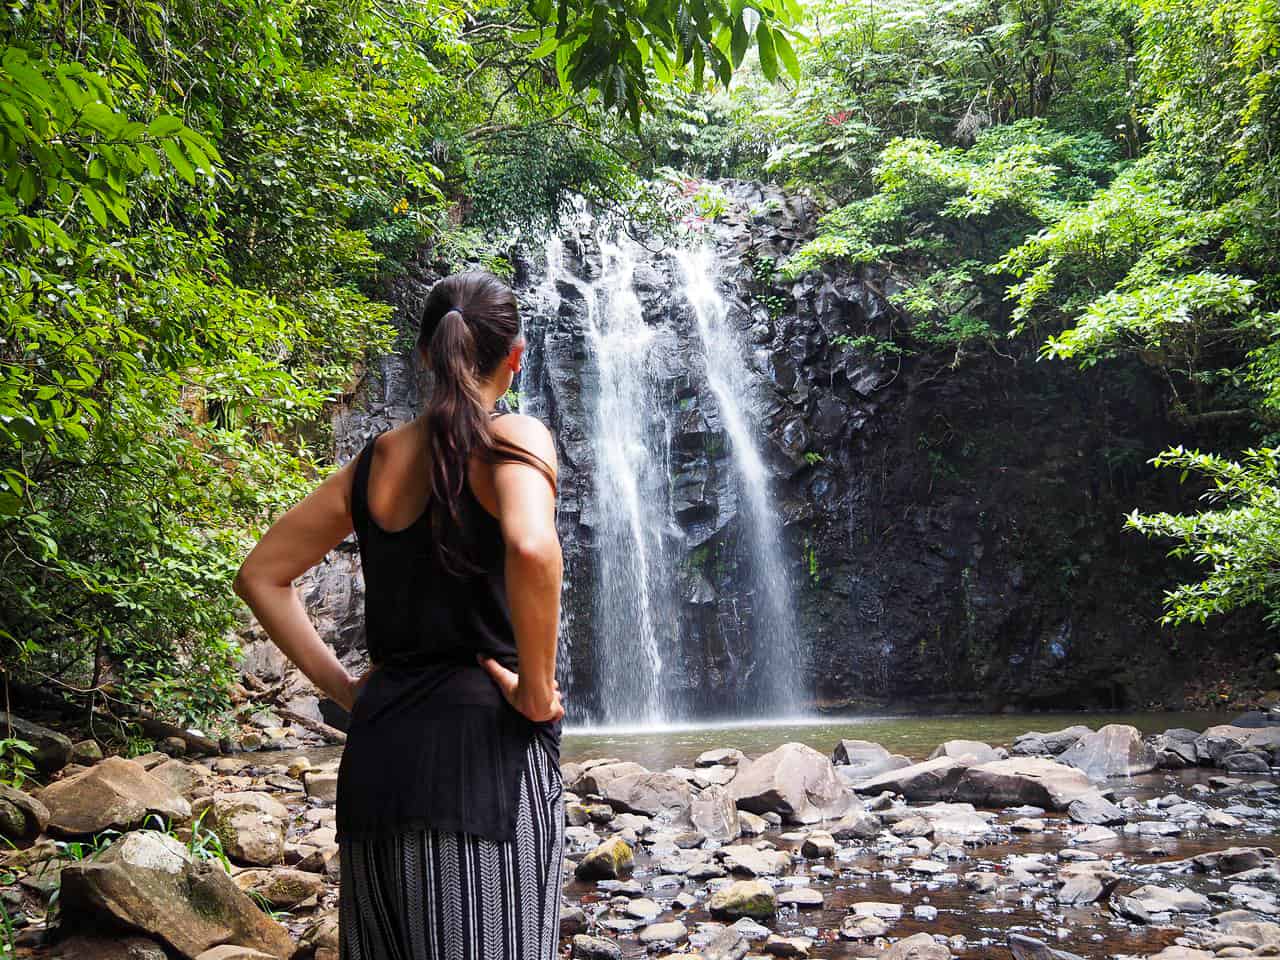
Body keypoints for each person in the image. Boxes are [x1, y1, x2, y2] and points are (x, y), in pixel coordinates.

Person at [233, 270, 566, 959]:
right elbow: (533, 547)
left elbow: (261, 575)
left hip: (379, 760)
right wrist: (536, 690)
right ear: (517, 354)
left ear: (424, 355)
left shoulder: (374, 463)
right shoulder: (515, 437)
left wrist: (347, 690)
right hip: (480, 765)